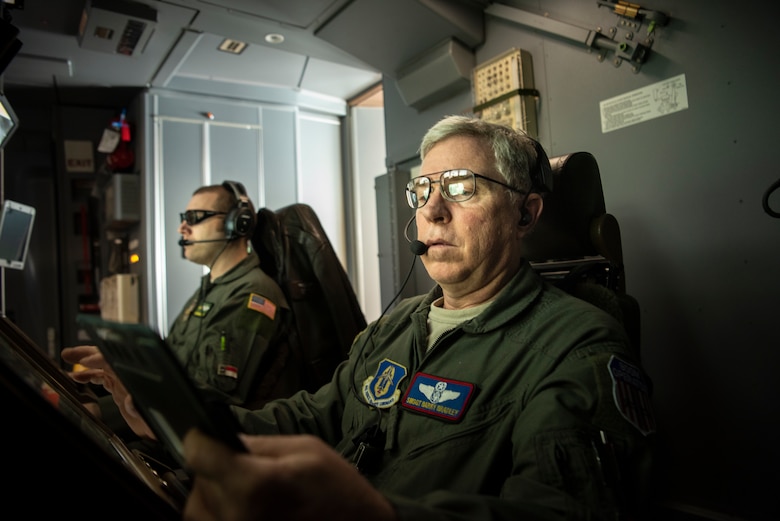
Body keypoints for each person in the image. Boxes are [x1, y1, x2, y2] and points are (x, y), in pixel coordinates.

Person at [67, 116, 656, 521]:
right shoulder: (396, 327)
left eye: (461, 187)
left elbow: (561, 512)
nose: (432, 210)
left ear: (526, 214)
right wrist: (175, 418)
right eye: (422, 189)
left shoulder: (578, 343)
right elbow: (312, 417)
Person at [66, 181, 300, 432]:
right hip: (163, 423)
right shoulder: (210, 290)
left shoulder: (252, 294)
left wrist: (104, 410)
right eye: (183, 218)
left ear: (236, 224)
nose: (182, 228)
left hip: (197, 436)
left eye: (195, 217)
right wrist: (119, 370)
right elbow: (170, 366)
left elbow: (212, 396)